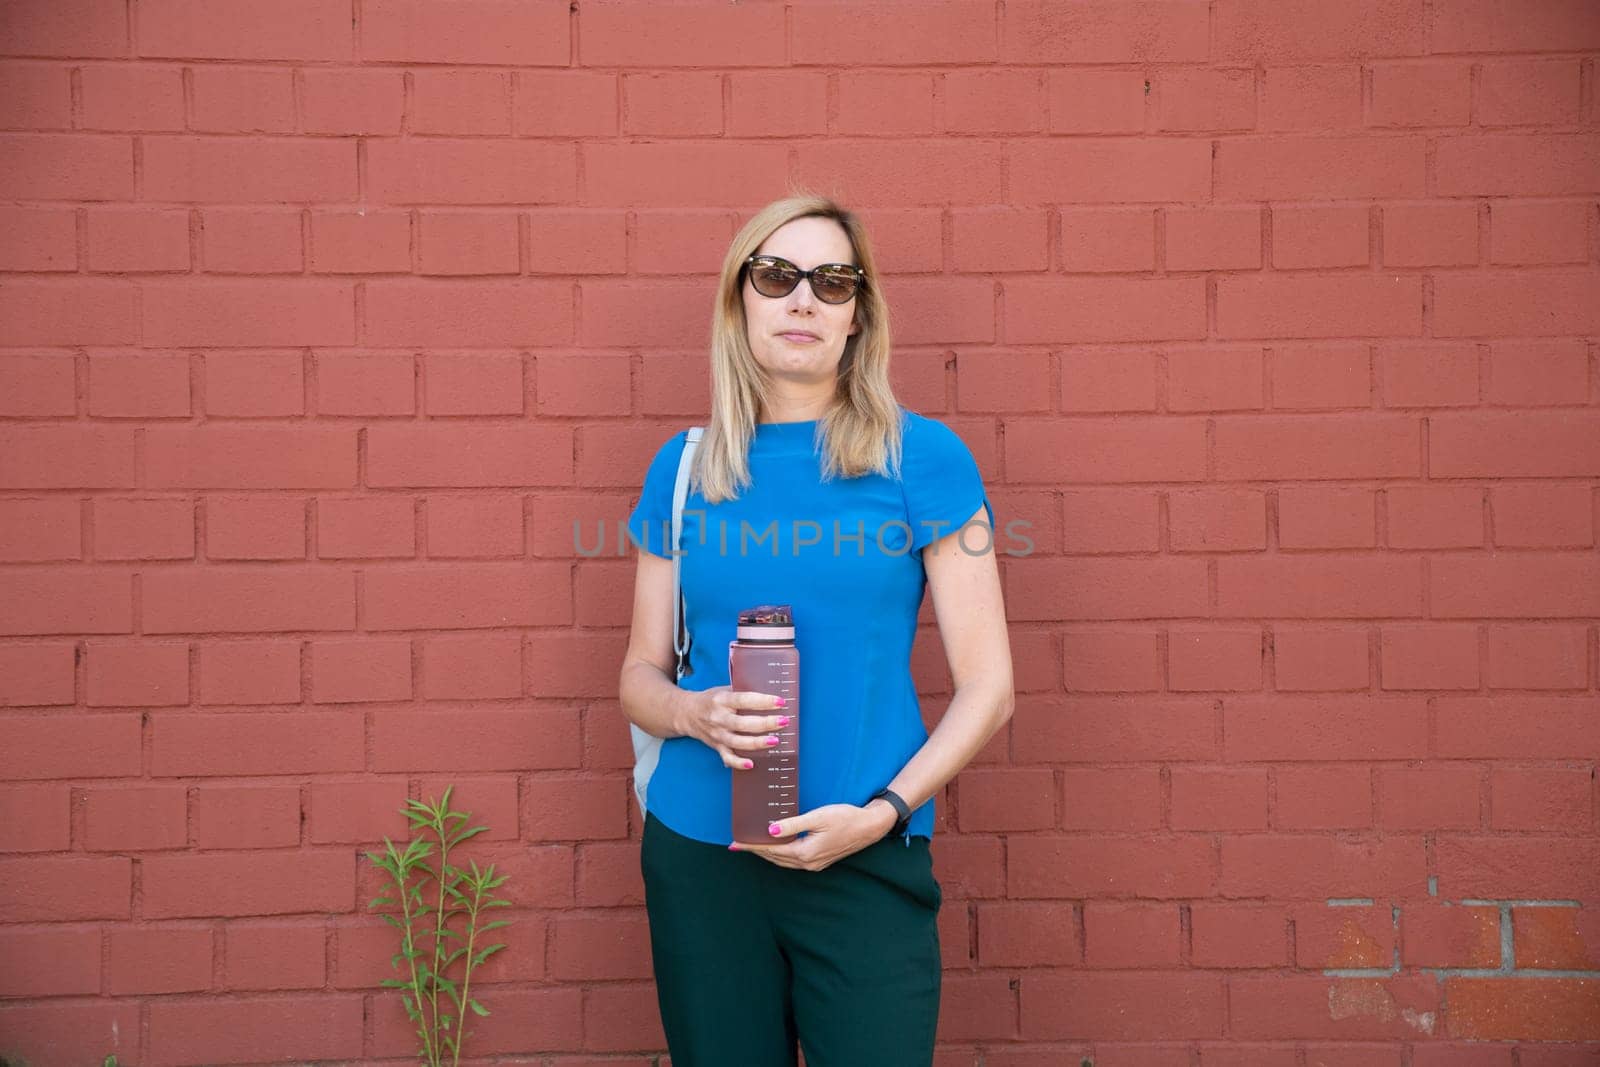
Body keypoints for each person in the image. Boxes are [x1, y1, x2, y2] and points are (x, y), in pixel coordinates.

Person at [617, 193, 1014, 1067]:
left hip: (862, 852)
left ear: (857, 316)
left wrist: (883, 813)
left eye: (832, 281)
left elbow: (991, 686)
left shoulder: (924, 459)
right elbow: (638, 676)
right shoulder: (683, 470)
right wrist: (693, 714)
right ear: (740, 302)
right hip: (702, 857)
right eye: (777, 275)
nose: (803, 299)